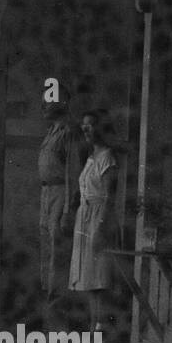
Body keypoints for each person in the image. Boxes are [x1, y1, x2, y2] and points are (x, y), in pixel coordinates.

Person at [70, 110, 119, 329]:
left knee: (99, 278)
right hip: (84, 217)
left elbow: (110, 197)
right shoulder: (91, 158)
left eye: (90, 125)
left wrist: (100, 227)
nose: (85, 130)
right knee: (88, 278)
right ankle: (92, 329)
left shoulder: (107, 157)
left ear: (100, 127)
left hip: (98, 218)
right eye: (83, 126)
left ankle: (99, 330)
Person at [39, 102, 80, 306]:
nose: (44, 107)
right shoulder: (51, 132)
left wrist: (67, 210)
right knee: (46, 243)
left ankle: (58, 299)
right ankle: (47, 294)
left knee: (58, 245)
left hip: (60, 190)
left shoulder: (68, 132)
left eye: (49, 102)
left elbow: (72, 171)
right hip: (46, 191)